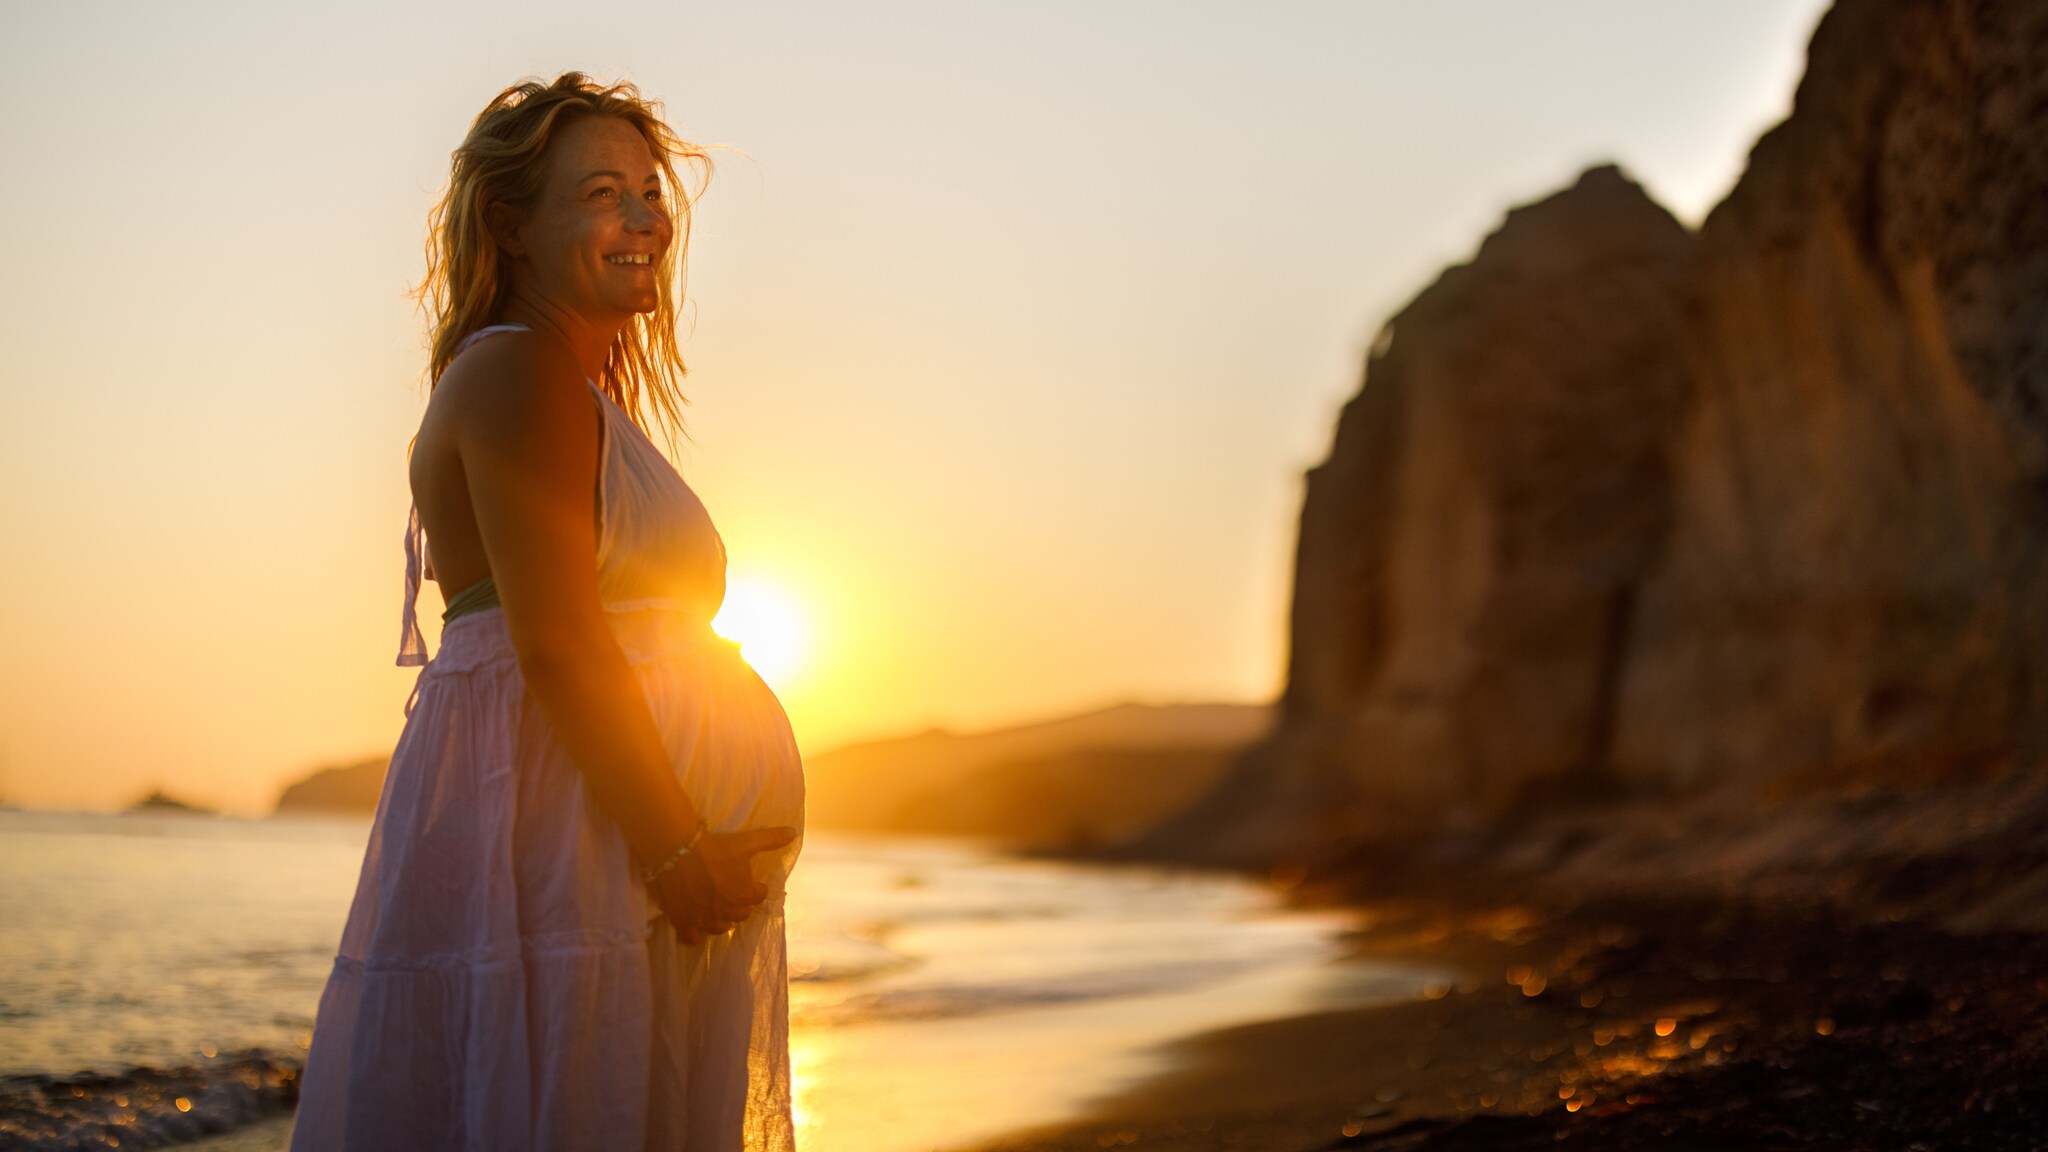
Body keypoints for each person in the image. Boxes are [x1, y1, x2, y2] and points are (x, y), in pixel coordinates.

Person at [292, 73, 805, 1152]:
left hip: (599, 837)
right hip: (578, 842)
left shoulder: (569, 388)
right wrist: (674, 848)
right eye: (602, 194)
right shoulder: (520, 370)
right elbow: (560, 646)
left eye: (650, 192)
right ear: (512, 228)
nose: (644, 219)